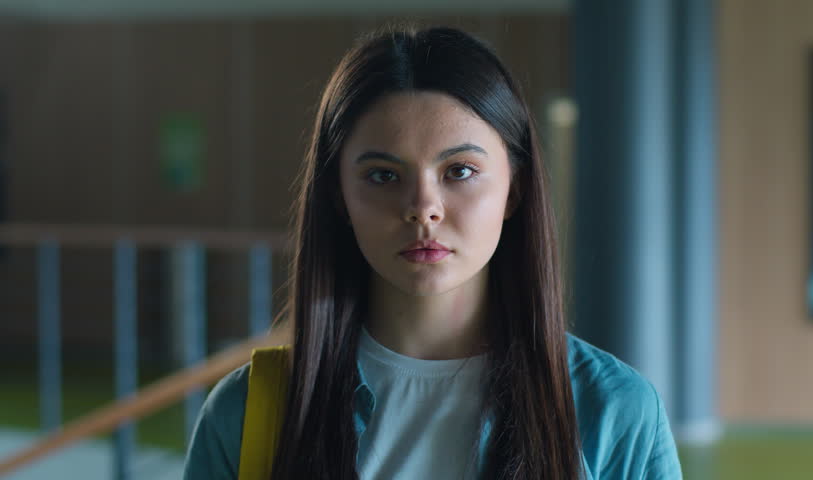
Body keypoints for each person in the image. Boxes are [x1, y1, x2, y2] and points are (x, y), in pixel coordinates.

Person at [184, 25, 682, 480]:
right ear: (339, 196)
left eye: (459, 171)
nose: (423, 209)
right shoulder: (247, 413)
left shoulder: (616, 410)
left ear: (515, 189)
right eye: (383, 175)